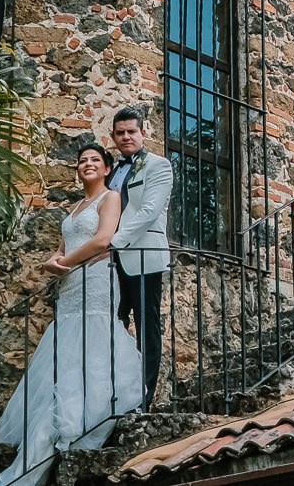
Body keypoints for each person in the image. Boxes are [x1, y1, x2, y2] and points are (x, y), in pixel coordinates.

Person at [0, 144, 144, 486]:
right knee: (67, 359)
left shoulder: (110, 199)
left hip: (96, 283)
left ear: (106, 169)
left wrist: (64, 263)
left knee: (92, 345)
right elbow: (64, 248)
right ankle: (33, 460)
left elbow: (104, 239)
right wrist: (53, 262)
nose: (87, 165)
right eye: (82, 161)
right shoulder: (75, 208)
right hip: (72, 287)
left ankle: (79, 421)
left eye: (94, 160)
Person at [107, 106, 173, 397]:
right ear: (113, 136)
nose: (126, 137)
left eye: (131, 131)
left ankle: (145, 394)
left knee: (147, 328)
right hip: (112, 261)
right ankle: (118, 392)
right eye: (120, 133)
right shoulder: (112, 170)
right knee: (114, 323)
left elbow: (148, 212)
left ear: (143, 133)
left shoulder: (159, 166)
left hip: (144, 256)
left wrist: (114, 242)